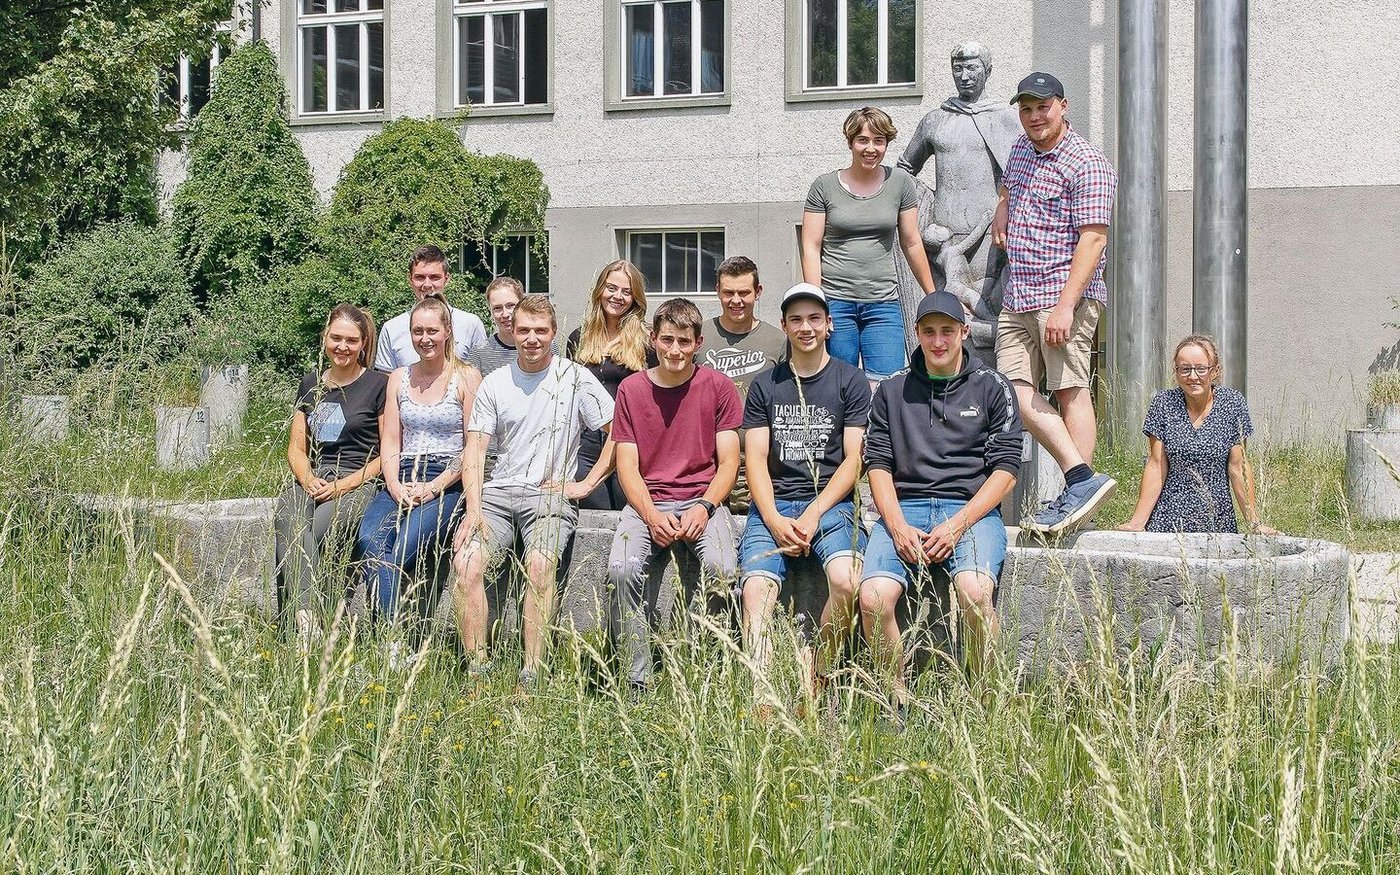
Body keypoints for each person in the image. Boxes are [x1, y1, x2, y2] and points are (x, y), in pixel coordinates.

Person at [859, 291, 1022, 707]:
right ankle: (894, 698)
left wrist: (958, 524)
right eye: (928, 332)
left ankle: (986, 699)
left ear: (964, 333)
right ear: (916, 334)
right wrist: (895, 527)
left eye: (947, 331)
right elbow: (876, 464)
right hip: (905, 507)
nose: (938, 341)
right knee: (874, 598)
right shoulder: (892, 390)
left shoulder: (994, 387)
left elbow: (1005, 471)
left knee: (974, 592)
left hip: (970, 509)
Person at [452, 295, 615, 686]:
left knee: (540, 567)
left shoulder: (574, 378)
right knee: (466, 565)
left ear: (554, 333)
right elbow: (474, 450)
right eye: (523, 330)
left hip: (548, 496)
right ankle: (477, 670)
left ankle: (532, 672)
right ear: (512, 330)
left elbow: (620, 433)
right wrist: (473, 510)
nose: (531, 339)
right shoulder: (495, 382)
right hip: (496, 495)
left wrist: (586, 483)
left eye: (540, 331)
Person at [991, 72, 1118, 534]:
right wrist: (1002, 207)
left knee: (1069, 391)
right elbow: (1009, 187)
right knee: (1010, 393)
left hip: (1061, 298)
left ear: (1063, 106)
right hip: (1018, 294)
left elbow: (1093, 241)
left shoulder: (1087, 163)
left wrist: (1066, 306)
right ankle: (1082, 479)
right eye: (1025, 109)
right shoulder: (1022, 148)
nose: (1033, 116)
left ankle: (1077, 498)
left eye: (1042, 107)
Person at [739, 283, 872, 704]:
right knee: (755, 592)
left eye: (814, 318)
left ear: (829, 324)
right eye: (795, 319)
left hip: (831, 506)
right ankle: (762, 696)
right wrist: (775, 520)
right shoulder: (765, 385)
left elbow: (854, 460)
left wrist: (814, 513)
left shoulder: (851, 381)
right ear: (784, 326)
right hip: (774, 505)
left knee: (848, 582)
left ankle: (819, 673)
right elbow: (755, 460)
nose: (806, 327)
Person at [607, 298, 743, 692]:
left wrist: (705, 506)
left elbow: (729, 462)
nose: (675, 351)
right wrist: (650, 515)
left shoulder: (718, 387)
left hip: (702, 499)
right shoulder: (632, 390)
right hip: (647, 502)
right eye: (667, 340)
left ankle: (707, 671)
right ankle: (637, 678)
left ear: (698, 342)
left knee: (721, 570)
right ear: (654, 339)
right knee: (622, 570)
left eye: (684, 341)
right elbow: (627, 466)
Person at [356, 295, 481, 638]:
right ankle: (393, 640)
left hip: (447, 479)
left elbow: (472, 446)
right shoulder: (398, 378)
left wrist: (434, 486)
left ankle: (390, 641)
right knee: (369, 540)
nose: (424, 338)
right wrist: (394, 484)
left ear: (447, 332)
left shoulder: (467, 378)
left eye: (431, 330)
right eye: (417, 331)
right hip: (401, 473)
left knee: (400, 550)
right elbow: (392, 440)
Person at [897, 41, 1021, 357]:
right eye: (958, 68)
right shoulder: (935, 120)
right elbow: (905, 170)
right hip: (942, 236)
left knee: (987, 306)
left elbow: (1021, 175)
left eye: (972, 67)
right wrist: (922, 216)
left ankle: (989, 390)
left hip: (988, 237)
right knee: (944, 317)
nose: (964, 76)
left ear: (987, 70)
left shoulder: (1005, 118)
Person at [275, 304, 388, 644]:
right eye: (336, 338)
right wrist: (307, 477)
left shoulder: (378, 384)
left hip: (357, 479)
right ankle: (308, 620)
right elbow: (296, 446)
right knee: (287, 519)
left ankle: (304, 623)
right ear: (325, 338)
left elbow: (388, 455)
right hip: (314, 474)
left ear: (363, 343)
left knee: (320, 528)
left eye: (351, 340)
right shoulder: (311, 383)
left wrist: (343, 485)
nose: (342, 347)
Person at [801, 106, 937, 384]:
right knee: (838, 384)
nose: (871, 148)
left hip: (883, 304)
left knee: (887, 385)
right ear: (850, 142)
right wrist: (818, 306)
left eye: (879, 141)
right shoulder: (824, 186)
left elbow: (911, 242)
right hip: (836, 303)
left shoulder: (899, 183)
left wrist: (932, 293)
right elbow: (811, 247)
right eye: (863, 140)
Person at [1119, 335, 1278, 535]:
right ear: (1176, 372)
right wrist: (1137, 523)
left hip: (1217, 520)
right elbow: (1156, 464)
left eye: (1201, 369)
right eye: (1185, 369)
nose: (1193, 376)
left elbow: (1238, 466)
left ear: (1215, 370)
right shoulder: (1163, 403)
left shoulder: (1233, 403)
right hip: (1169, 520)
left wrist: (1254, 523)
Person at [566, 260, 657, 510]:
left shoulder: (647, 341)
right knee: (589, 514)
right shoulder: (579, 337)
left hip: (632, 443)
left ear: (636, 298)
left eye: (627, 292)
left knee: (628, 515)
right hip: (587, 444)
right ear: (600, 291)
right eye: (611, 288)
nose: (618, 296)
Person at [375, 244, 487, 371]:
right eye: (420, 277)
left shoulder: (471, 325)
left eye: (434, 277)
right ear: (410, 279)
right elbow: (388, 383)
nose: (427, 285)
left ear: (446, 278)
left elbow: (480, 377)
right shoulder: (392, 329)